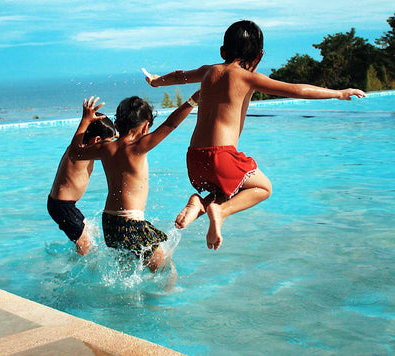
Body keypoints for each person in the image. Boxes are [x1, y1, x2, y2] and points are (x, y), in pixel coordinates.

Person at [144, 20, 366, 251]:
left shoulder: (207, 71)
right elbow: (297, 89)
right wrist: (339, 93)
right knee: (263, 188)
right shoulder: (248, 78)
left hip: (195, 159)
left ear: (222, 51)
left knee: (227, 189)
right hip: (222, 156)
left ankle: (200, 203)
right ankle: (219, 210)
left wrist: (156, 81)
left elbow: (179, 77)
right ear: (259, 56)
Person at [69, 92, 199, 272]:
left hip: (109, 222)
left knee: (126, 269)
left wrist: (85, 121)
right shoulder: (138, 147)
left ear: (117, 124)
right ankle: (159, 299)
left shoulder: (106, 148)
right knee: (166, 269)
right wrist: (193, 101)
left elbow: (74, 153)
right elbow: (170, 124)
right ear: (146, 126)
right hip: (131, 223)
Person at [48, 109, 117, 255]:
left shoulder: (85, 149)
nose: (109, 146)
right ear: (96, 140)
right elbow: (111, 153)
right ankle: (73, 274)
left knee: (90, 233)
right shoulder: (79, 153)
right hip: (62, 206)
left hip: (63, 204)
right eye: (108, 142)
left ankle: (74, 257)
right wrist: (85, 120)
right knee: (85, 247)